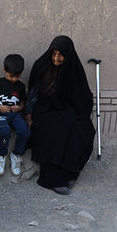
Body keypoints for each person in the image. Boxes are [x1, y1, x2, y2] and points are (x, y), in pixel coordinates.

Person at [25, 35, 95, 195]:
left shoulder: (73, 70)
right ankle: (52, 180)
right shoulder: (41, 66)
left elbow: (83, 96)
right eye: (54, 53)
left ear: (68, 55)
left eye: (61, 54)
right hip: (43, 109)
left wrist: (79, 111)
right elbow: (33, 94)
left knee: (83, 129)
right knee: (55, 129)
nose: (56, 58)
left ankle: (70, 173)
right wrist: (28, 114)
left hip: (65, 109)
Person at [0, 54, 30, 177]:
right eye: (11, 76)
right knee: (5, 132)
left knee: (24, 131)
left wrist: (19, 108)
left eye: (18, 76)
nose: (14, 79)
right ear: (5, 71)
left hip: (15, 115)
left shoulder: (20, 86)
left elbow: (22, 103)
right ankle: (1, 156)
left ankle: (16, 155)